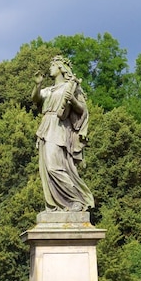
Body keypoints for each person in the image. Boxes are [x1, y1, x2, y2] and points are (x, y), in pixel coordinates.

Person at [31, 55, 95, 212]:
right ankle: (59, 204)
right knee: (46, 170)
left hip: (59, 128)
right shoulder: (48, 90)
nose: (50, 68)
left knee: (54, 167)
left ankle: (76, 199)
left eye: (53, 65)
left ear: (60, 68)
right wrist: (38, 85)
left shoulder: (70, 87)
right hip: (45, 128)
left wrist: (72, 99)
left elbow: (82, 110)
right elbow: (36, 99)